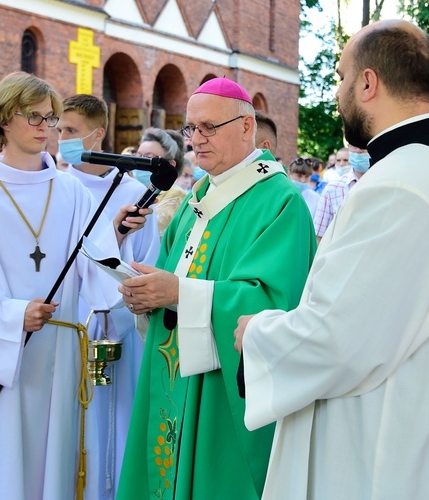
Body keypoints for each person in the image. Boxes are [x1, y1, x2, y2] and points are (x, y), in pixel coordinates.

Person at [234, 20, 429, 499]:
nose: (338, 92)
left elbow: (344, 336)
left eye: (342, 77)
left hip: (385, 445)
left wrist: (258, 334)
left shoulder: (402, 184)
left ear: (368, 82)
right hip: (428, 416)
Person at [0, 72, 149, 500]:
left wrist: (117, 235)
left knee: (56, 467)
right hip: (6, 358)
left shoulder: (70, 190)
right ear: (3, 119)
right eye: (34, 116)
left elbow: (93, 265)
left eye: (51, 118)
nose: (45, 127)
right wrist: (15, 314)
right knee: (5, 466)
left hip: (60, 356)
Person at [116, 77, 317, 500]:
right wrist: (147, 294)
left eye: (209, 127)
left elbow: (275, 303)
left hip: (223, 396)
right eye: (191, 129)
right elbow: (173, 275)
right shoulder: (196, 199)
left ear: (247, 128)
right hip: (173, 379)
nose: (196, 141)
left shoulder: (280, 202)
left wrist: (177, 294)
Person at [58, 94, 161, 500]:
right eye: (58, 129)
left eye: (70, 131)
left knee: (122, 413)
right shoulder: (58, 187)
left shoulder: (133, 190)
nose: (61, 138)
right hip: (73, 320)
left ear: (96, 134)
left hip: (121, 320)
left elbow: (149, 257)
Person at [132, 127, 185, 237]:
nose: (140, 162)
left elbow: (152, 235)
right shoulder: (135, 189)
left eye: (148, 158)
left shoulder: (176, 197)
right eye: (138, 156)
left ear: (170, 165)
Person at [315, 145, 370, 242]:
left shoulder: (385, 184)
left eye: (345, 160)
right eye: (354, 146)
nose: (359, 150)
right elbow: (319, 234)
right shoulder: (332, 189)